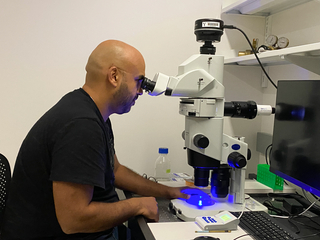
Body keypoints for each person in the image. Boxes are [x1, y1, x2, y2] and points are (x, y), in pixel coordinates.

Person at [1, 40, 189, 240]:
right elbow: (73, 220)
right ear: (114, 76)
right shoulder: (81, 124)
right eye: (139, 82)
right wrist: (137, 205)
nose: (141, 91)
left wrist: (170, 191)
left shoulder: (92, 113)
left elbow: (115, 170)